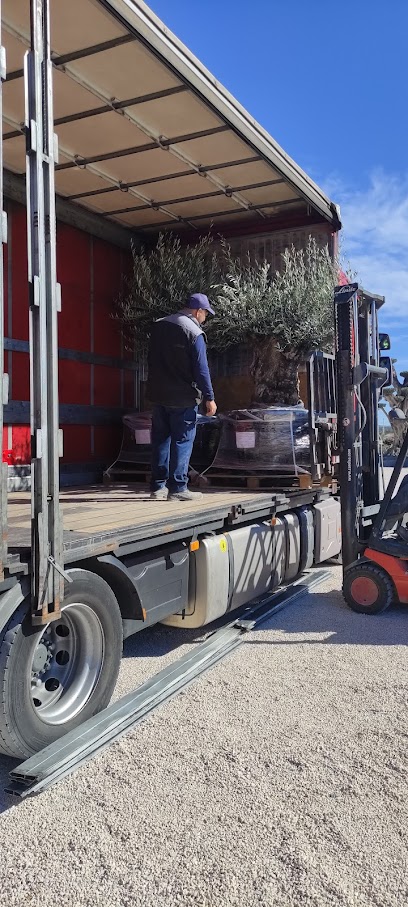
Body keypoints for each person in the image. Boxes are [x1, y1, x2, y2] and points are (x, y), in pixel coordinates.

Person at [146, 293, 217, 501]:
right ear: (198, 311)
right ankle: (178, 488)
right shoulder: (194, 332)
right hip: (183, 397)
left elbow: (150, 359)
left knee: (160, 440)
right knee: (182, 440)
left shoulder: (158, 326)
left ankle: (158, 488)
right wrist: (209, 397)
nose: (205, 319)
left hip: (158, 395)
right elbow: (201, 369)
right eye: (206, 314)